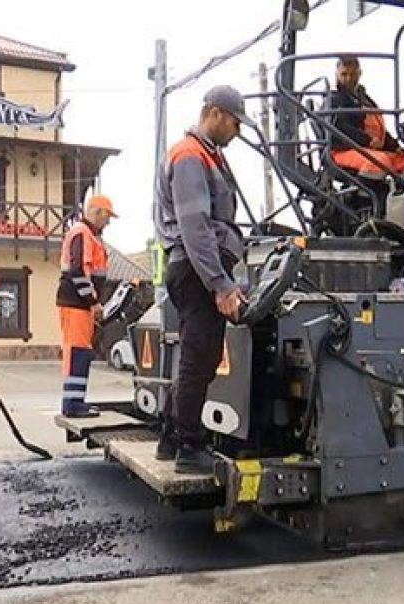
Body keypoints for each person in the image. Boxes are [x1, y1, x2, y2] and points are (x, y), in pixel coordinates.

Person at [153, 85, 249, 475]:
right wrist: (221, 284)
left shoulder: (204, 154)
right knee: (199, 358)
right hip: (196, 270)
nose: (237, 131)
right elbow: (195, 227)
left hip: (192, 268)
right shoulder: (191, 156)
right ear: (214, 113)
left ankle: (169, 437)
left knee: (196, 357)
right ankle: (189, 449)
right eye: (234, 122)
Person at [57, 195, 117, 418]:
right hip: (77, 304)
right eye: (107, 216)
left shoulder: (85, 234)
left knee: (80, 352)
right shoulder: (82, 233)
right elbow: (78, 271)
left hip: (78, 304)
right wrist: (93, 302)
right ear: (97, 212)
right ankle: (73, 404)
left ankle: (75, 401)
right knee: (78, 353)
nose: (108, 222)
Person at [328, 56, 404, 177]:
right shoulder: (333, 101)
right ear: (336, 74)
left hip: (372, 149)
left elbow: (378, 129)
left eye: (353, 74)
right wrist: (367, 140)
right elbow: (338, 127)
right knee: (378, 162)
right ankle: (368, 194)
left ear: (359, 73)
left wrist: (394, 147)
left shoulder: (365, 100)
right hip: (343, 151)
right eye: (344, 74)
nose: (348, 78)